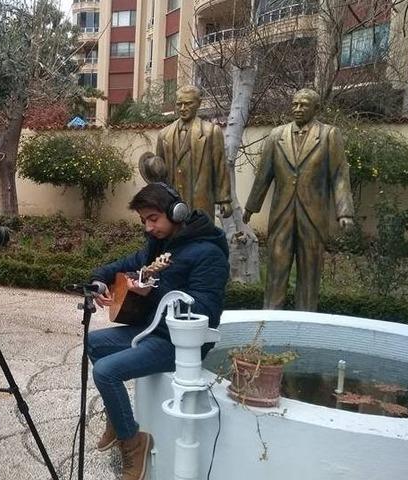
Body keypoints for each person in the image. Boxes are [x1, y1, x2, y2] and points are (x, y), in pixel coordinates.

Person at [86, 183, 229, 480]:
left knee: (105, 372)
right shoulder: (160, 244)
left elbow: (205, 312)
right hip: (153, 330)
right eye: (143, 221)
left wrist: (153, 291)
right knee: (93, 343)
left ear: (176, 213)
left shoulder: (209, 254)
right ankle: (118, 420)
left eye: (153, 219)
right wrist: (99, 280)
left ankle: (133, 442)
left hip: (180, 344)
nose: (148, 228)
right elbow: (126, 264)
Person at [243, 88, 354, 311]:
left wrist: (344, 212)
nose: (298, 109)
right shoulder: (277, 135)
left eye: (304, 105)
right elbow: (264, 175)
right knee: (276, 270)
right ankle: (270, 318)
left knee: (310, 271)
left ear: (316, 108)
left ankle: (306, 319)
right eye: (295, 104)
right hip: (281, 214)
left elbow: (339, 175)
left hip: (313, 216)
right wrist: (251, 208)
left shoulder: (329, 135)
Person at [155, 85, 233, 219]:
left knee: (200, 231)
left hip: (201, 201)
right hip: (172, 204)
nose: (182, 108)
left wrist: (224, 199)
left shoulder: (211, 132)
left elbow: (220, 167)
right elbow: (159, 171)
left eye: (188, 103)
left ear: (199, 103)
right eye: (179, 104)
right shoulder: (164, 134)